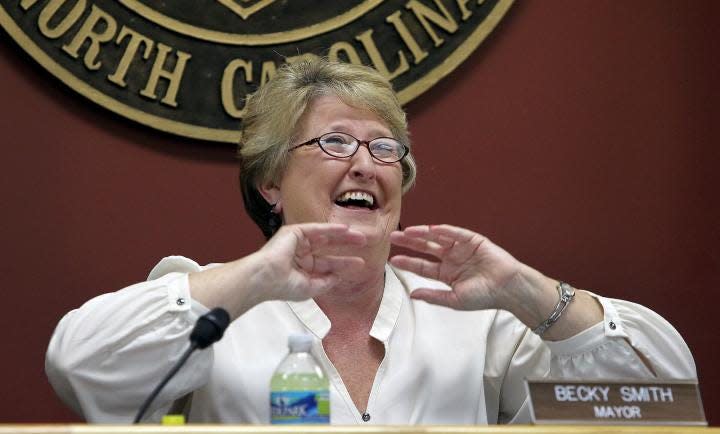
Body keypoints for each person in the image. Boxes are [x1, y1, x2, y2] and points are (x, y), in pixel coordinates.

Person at [46, 58, 696, 424]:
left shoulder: (479, 320)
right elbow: (79, 368)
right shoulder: (215, 309)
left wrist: (528, 292)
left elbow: (662, 407)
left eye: (384, 149)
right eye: (334, 142)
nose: (365, 164)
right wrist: (253, 278)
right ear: (271, 180)